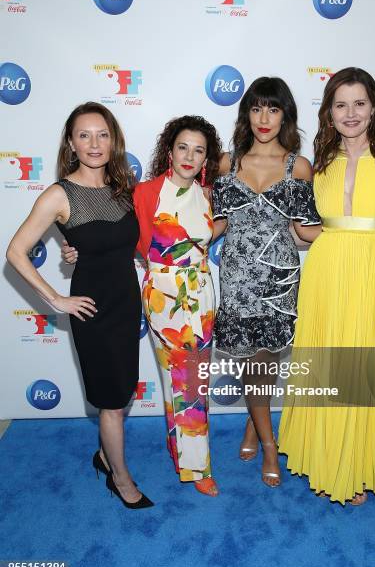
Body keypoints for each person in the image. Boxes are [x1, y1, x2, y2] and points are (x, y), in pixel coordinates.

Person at [278, 67, 375, 505]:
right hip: (325, 276)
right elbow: (312, 232)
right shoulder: (319, 163)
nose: (351, 113)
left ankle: (356, 469)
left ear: (373, 106)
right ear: (329, 113)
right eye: (341, 105)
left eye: (359, 103)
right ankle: (325, 462)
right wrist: (285, 223)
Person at [64, 116, 222, 497]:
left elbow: (209, 233)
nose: (189, 156)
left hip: (201, 295)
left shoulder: (211, 195)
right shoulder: (145, 192)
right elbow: (114, 235)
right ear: (170, 151)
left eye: (198, 150)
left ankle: (188, 456)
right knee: (181, 381)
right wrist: (76, 250)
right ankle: (195, 464)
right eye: (183, 147)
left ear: (206, 159)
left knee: (193, 383)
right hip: (162, 298)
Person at [6, 102, 153, 509]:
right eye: (84, 135)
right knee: (109, 400)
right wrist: (55, 298)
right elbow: (16, 251)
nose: (94, 143)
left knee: (121, 393)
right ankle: (121, 480)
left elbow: (117, 245)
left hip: (126, 302)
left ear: (113, 140)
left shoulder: (123, 188)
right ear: (71, 142)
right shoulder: (59, 194)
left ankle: (106, 455)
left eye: (102, 134)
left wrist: (75, 252)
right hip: (91, 310)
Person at [212, 77, 321, 487]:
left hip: (279, 279)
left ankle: (266, 442)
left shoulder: (299, 167)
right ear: (246, 114)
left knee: (264, 364)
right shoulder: (227, 163)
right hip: (238, 277)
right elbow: (216, 224)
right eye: (256, 108)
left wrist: (359, 237)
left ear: (285, 115)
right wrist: (164, 240)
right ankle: (259, 430)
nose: (264, 118)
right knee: (251, 364)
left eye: (272, 109)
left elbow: (305, 230)